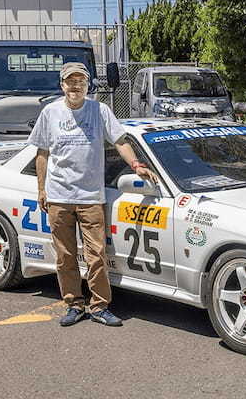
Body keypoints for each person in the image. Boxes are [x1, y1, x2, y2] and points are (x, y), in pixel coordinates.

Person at [28, 62, 158, 327]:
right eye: (70, 81)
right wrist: (41, 189)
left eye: (80, 81)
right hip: (59, 196)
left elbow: (120, 140)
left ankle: (99, 306)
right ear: (62, 85)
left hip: (91, 197)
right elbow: (42, 154)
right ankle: (74, 304)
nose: (75, 86)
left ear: (88, 85)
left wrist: (136, 164)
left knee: (96, 254)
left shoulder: (100, 110)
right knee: (64, 256)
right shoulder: (50, 112)